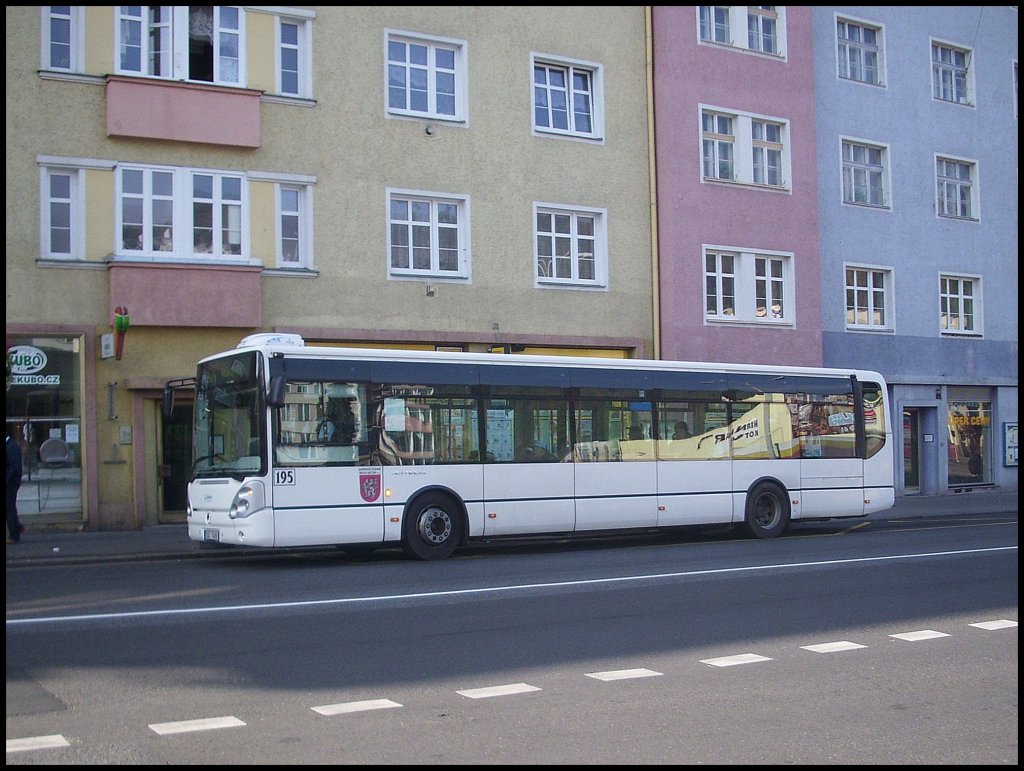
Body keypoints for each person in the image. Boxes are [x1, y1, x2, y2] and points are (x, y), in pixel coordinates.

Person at [7, 431, 24, 544]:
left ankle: (14, 535)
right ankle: (16, 527)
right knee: (9, 507)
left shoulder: (11, 447)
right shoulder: (11, 446)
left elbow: (14, 467)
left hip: (10, 483)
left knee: (9, 508)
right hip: (11, 482)